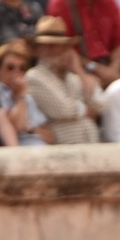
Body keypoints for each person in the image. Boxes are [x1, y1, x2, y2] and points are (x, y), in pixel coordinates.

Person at [26, 14, 103, 143]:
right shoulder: (34, 76)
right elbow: (64, 110)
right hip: (64, 150)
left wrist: (79, 69)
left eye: (57, 45)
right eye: (46, 45)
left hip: (91, 144)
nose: (52, 50)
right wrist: (86, 109)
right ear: (38, 49)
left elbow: (99, 105)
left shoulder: (73, 77)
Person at [0, 37, 51, 143]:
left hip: (41, 150)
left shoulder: (27, 95)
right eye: (10, 67)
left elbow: (50, 137)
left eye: (22, 68)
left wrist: (30, 129)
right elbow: (18, 126)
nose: (16, 72)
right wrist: (20, 96)